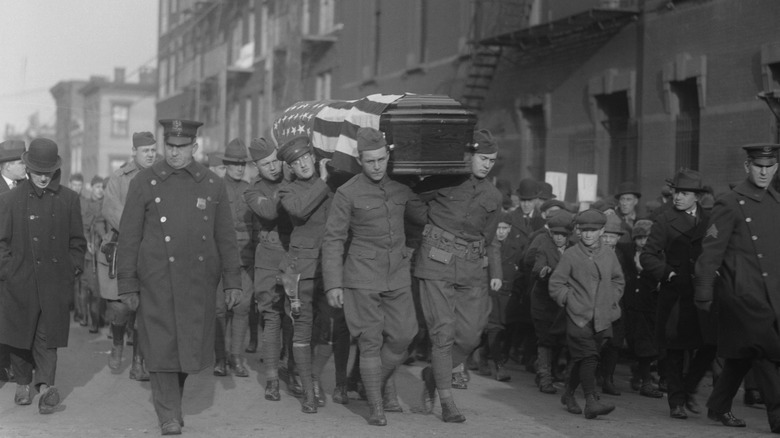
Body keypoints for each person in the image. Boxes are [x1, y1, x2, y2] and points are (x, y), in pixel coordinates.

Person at [116, 119, 242, 435]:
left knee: (188, 350)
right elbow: (129, 236)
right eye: (170, 146)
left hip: (198, 281)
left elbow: (225, 235)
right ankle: (169, 413)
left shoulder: (212, 184)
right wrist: (128, 283)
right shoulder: (144, 182)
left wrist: (233, 280)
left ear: (194, 148)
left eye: (181, 147)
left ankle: (174, 402)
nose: (174, 153)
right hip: (156, 280)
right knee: (160, 347)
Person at [322, 127, 426, 425]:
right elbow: (333, 239)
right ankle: (376, 408)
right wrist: (334, 283)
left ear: (388, 156)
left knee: (405, 334)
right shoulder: (348, 192)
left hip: (397, 275)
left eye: (381, 159)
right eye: (370, 161)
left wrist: (423, 186)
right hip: (362, 276)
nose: (377, 166)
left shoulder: (400, 189)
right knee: (369, 340)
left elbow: (422, 219)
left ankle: (371, 383)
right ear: (360, 159)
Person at [414, 129, 503, 423]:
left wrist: (493, 270)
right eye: (482, 158)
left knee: (470, 335)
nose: (487, 164)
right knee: (443, 331)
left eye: (492, 160)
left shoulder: (493, 195)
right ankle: (446, 400)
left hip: (470, 268)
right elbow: (414, 203)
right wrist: (430, 229)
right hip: (436, 263)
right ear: (469, 155)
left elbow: (488, 238)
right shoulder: (443, 180)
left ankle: (432, 374)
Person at [694, 144, 780, 432]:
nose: (764, 172)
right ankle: (777, 416)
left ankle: (718, 407)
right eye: (759, 166)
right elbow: (710, 252)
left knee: (743, 356)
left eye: (770, 166)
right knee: (766, 350)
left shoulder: (777, 201)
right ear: (747, 167)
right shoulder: (729, 202)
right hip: (741, 294)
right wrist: (704, 291)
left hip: (770, 294)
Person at [0, 138, 87, 414]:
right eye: (37, 172)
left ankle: (46, 387)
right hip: (19, 280)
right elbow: (1, 242)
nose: (42, 177)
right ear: (27, 169)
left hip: (54, 282)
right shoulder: (9, 200)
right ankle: (23, 382)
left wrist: (70, 269)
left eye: (47, 172)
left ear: (55, 171)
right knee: (19, 335)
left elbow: (78, 242)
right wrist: (8, 271)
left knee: (48, 337)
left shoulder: (69, 199)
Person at [642, 168, 716, 420]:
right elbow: (647, 256)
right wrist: (668, 274)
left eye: (684, 193)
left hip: (704, 293)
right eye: (676, 192)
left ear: (697, 196)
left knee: (710, 345)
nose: (678, 198)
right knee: (674, 349)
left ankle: (688, 389)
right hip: (676, 294)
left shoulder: (710, 218)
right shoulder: (664, 219)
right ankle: (676, 401)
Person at [277, 135, 339, 414]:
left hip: (330, 267)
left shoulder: (332, 185)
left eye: (305, 158)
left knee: (327, 330)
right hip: (302, 268)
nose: (302, 164)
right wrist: (324, 181)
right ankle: (308, 390)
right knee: (303, 329)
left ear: (313, 157)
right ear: (290, 166)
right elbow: (300, 211)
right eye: (295, 161)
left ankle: (313, 377)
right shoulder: (287, 191)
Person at [549, 208, 624, 420]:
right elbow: (556, 284)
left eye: (593, 230)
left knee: (583, 359)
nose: (588, 234)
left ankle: (569, 394)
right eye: (584, 230)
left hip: (602, 319)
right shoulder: (572, 255)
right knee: (589, 357)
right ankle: (592, 401)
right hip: (577, 317)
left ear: (602, 231)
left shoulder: (609, 254)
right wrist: (570, 300)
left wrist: (611, 298)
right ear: (579, 232)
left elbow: (618, 280)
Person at [101, 131, 158, 379]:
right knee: (121, 307)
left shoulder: (163, 177)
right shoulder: (119, 178)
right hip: (123, 247)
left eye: (153, 150)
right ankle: (117, 343)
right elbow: (112, 211)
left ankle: (138, 363)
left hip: (153, 250)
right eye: (146, 150)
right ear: (134, 152)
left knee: (146, 309)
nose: (151, 154)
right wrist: (140, 230)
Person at [244, 137, 293, 401]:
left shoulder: (294, 176)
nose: (273, 167)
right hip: (269, 257)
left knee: (297, 315)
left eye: (276, 160)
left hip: (295, 253)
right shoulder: (252, 191)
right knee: (272, 316)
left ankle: (295, 371)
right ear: (256, 166)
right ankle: (272, 378)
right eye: (266, 164)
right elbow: (270, 213)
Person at [211, 138, 254, 378]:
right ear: (225, 165)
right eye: (234, 164)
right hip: (219, 257)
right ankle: (219, 358)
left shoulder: (251, 190)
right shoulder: (215, 188)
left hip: (245, 257)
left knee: (242, 308)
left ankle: (236, 357)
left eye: (243, 164)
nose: (239, 168)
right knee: (218, 309)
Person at [529, 210, 574, 394]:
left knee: (560, 339)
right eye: (555, 234)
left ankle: (548, 371)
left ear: (568, 235)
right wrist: (543, 271)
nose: (559, 238)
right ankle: (545, 378)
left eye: (562, 235)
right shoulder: (544, 247)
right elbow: (537, 266)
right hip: (543, 301)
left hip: (563, 303)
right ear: (551, 233)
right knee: (545, 339)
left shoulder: (575, 250)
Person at [622, 219, 664, 399]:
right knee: (632, 340)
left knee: (646, 343)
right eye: (639, 238)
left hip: (648, 305)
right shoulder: (626, 253)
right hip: (630, 304)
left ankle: (645, 380)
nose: (642, 242)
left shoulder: (658, 256)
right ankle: (639, 374)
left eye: (646, 238)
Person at [0, 139, 26, 383]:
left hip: (18, 265)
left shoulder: (25, 187)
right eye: (19, 162)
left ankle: (9, 364)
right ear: (5, 167)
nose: (23, 166)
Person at [77, 176, 106, 333]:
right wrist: (88, 241)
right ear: (92, 188)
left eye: (102, 187)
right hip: (91, 254)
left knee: (103, 289)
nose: (100, 190)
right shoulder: (88, 206)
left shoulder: (108, 204)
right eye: (97, 187)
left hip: (106, 252)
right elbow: (85, 227)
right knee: (92, 288)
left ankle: (102, 318)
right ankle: (93, 319)